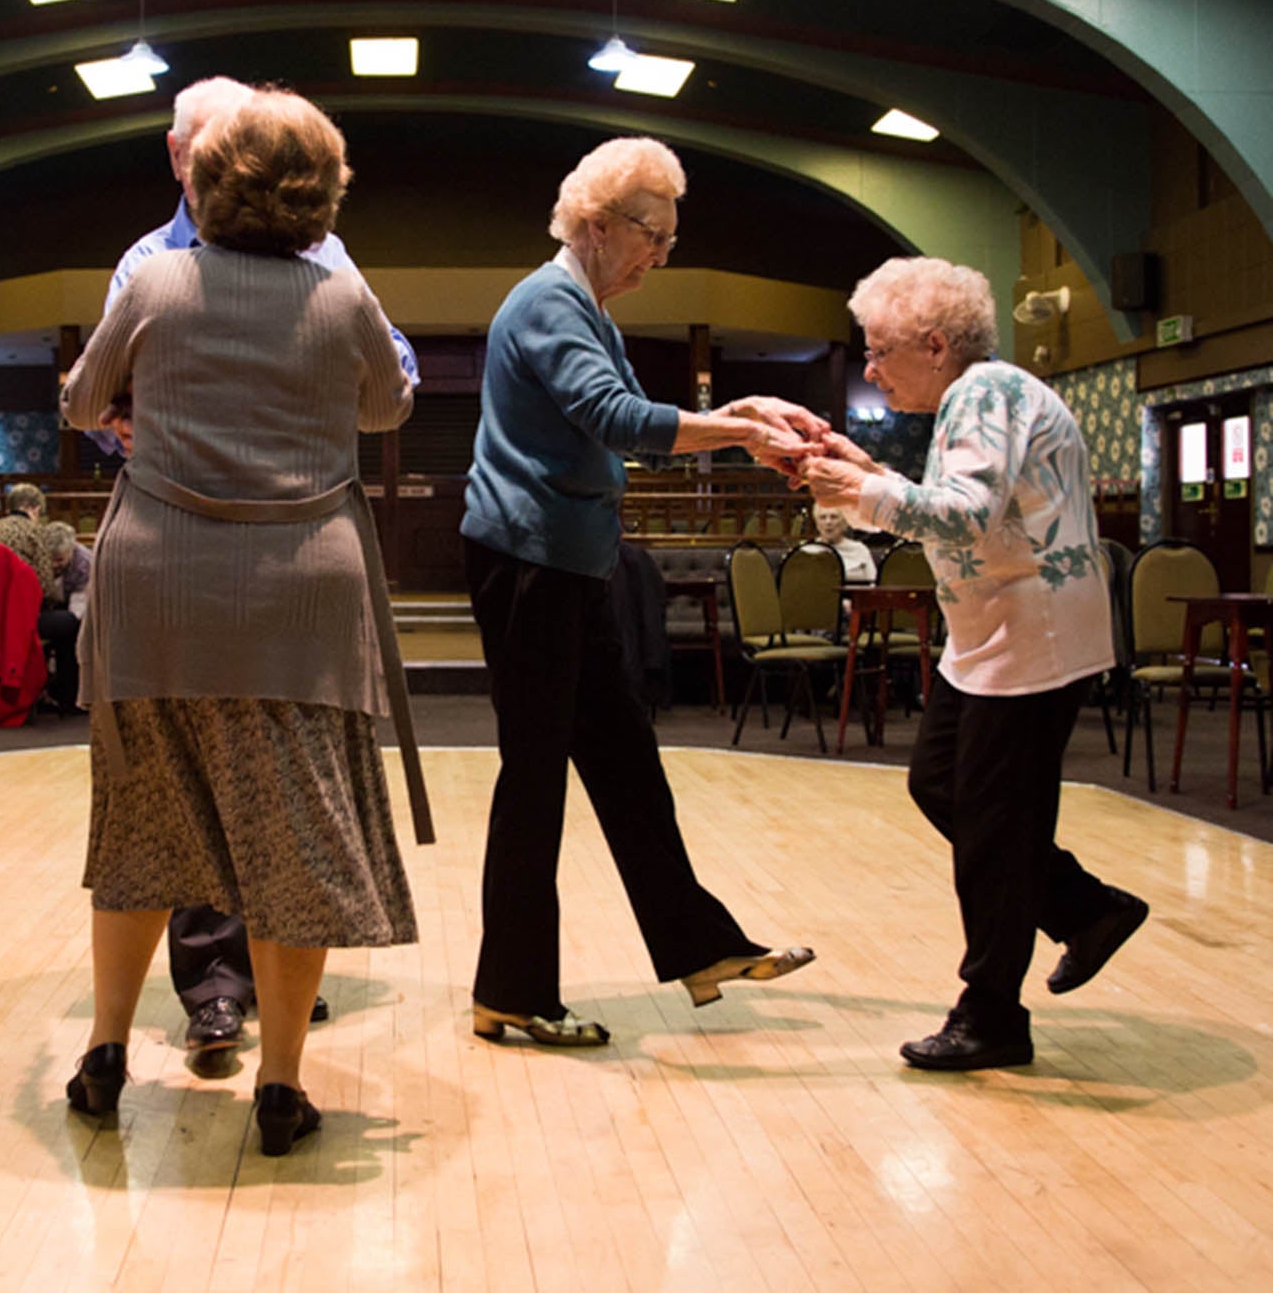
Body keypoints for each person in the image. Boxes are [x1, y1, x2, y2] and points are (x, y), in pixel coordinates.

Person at [59, 87, 416, 1156]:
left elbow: (83, 403)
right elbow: (387, 408)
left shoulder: (156, 278)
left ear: (204, 183)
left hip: (155, 590)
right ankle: (279, 1084)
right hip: (298, 599)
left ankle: (106, 1052)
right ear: (323, 194)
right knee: (292, 838)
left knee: (137, 830)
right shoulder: (340, 291)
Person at [461, 135, 819, 1048]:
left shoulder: (586, 307)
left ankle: (698, 946)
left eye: (668, 235)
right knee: (536, 779)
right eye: (651, 232)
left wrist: (746, 415)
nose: (663, 253)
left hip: (569, 566)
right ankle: (511, 989)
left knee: (624, 760)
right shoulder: (549, 301)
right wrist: (738, 435)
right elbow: (621, 421)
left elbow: (636, 413)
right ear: (594, 223)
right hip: (530, 565)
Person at [801, 256, 1146, 1072]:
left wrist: (858, 491)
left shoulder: (984, 392)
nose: (873, 369)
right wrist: (868, 472)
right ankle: (1087, 908)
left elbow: (962, 515)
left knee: (992, 824)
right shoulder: (978, 397)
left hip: (1033, 639)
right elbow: (960, 508)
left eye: (881, 351)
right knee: (944, 786)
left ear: (933, 343)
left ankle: (992, 1014)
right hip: (992, 638)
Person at [0, 482, 80, 716]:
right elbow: (44, 587)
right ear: (33, 509)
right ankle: (66, 698)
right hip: (19, 620)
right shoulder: (35, 533)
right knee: (70, 623)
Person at [812, 505, 876, 583]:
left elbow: (873, 585)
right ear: (817, 524)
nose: (828, 522)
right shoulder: (808, 551)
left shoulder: (860, 550)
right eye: (822, 517)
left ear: (844, 523)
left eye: (834, 517)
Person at [44, 520, 91, 611]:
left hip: (77, 603)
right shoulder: (38, 554)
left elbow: (78, 610)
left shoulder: (84, 564)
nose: (53, 565)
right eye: (49, 559)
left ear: (71, 551)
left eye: (59, 560)